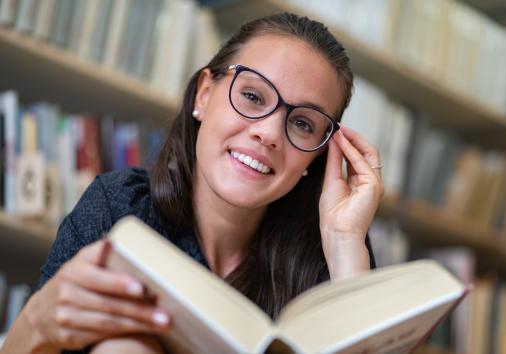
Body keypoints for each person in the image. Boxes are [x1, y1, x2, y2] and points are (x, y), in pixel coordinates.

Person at [0, 12, 384, 354]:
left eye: (302, 123)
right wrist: (39, 319)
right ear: (204, 94)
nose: (269, 133)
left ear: (318, 154)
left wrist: (343, 242)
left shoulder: (328, 255)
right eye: (252, 96)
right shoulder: (120, 207)